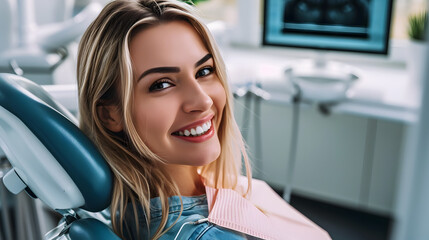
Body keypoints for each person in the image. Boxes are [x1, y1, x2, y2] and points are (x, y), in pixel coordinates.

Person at [77, 0, 330, 239]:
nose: (203, 101)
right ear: (110, 115)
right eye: (162, 84)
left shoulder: (127, 211)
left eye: (204, 71)